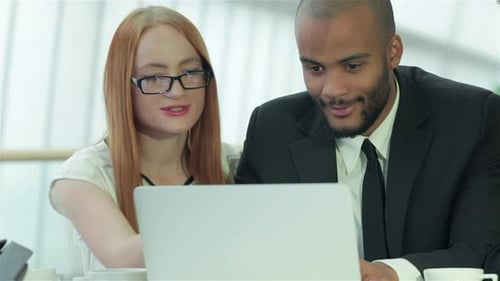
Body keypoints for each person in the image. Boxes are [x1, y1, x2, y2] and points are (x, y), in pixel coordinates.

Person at [235, 0, 500, 280]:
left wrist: (392, 273)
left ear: (393, 53)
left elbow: (485, 248)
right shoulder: (271, 128)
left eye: (352, 66)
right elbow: (242, 247)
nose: (332, 90)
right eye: (315, 69)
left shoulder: (471, 120)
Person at [49, 6, 240, 275]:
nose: (176, 90)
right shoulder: (82, 177)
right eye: (154, 78)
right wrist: (242, 217)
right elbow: (123, 256)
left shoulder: (232, 165)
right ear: (122, 86)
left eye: (190, 73)